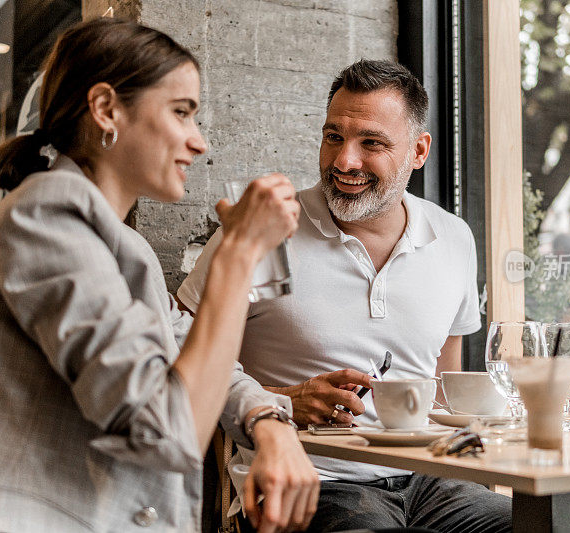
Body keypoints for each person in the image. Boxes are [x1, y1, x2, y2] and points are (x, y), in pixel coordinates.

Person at [0, 18, 320, 533]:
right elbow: (168, 432)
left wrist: (269, 422)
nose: (200, 142)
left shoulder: (117, 241)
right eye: (182, 113)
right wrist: (238, 254)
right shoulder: (45, 219)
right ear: (106, 110)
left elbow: (188, 350)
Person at [177, 60, 512, 532]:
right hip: (313, 479)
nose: (343, 161)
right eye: (333, 136)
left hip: (432, 479)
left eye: (370, 142)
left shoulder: (453, 237)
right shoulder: (260, 229)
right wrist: (285, 400)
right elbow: (178, 366)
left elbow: (445, 388)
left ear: (419, 151)